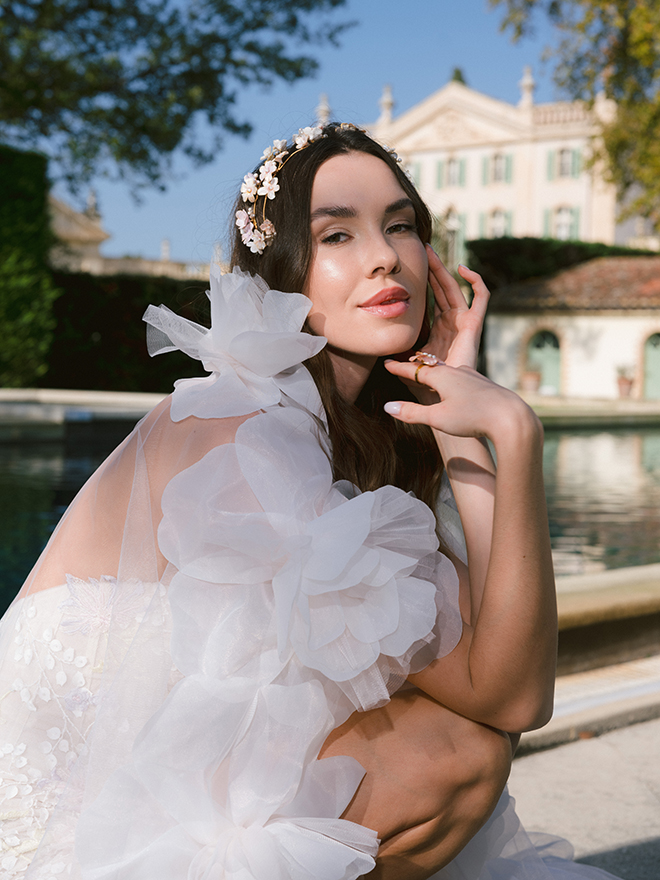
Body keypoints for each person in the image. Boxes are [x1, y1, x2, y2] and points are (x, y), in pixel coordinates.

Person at [0, 123, 620, 880]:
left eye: (400, 225)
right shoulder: (244, 421)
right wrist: (513, 431)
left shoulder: (366, 441)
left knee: (462, 736)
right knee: (452, 752)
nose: (386, 255)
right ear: (283, 274)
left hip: (170, 789)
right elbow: (507, 699)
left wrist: (482, 436)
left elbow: (513, 677)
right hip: (73, 832)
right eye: (338, 235)